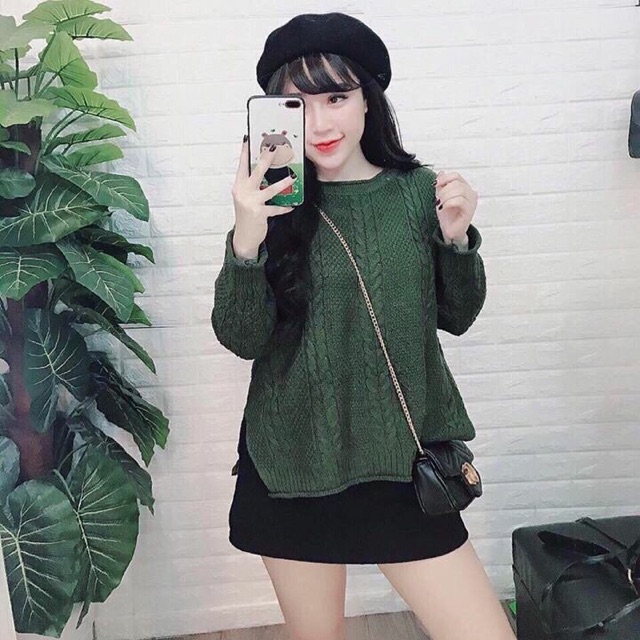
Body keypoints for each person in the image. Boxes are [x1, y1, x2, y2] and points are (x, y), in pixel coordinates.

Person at [211, 12, 516, 640]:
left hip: (402, 465)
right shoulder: (268, 207)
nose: (321, 123)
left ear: (369, 99)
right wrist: (246, 237)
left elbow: (457, 316)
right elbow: (243, 338)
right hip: (294, 464)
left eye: (337, 98)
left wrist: (457, 240)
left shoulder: (419, 193)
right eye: (298, 105)